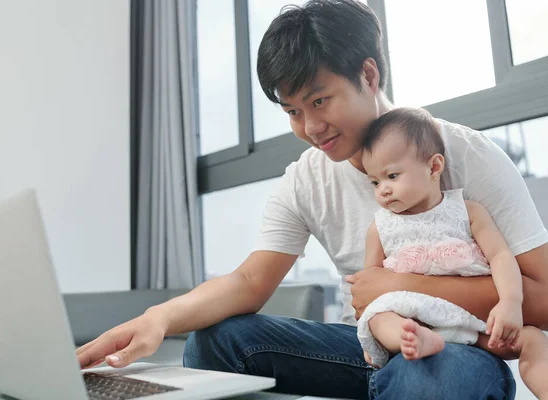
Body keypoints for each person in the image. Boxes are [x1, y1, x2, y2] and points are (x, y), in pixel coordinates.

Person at [76, 1, 548, 398]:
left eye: (319, 101)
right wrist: (157, 319)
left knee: (432, 377)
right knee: (217, 342)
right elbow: (247, 280)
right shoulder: (305, 180)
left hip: (454, 349)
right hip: (363, 344)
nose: (309, 128)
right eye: (293, 111)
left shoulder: (461, 154)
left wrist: (397, 284)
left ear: (368, 74)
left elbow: (545, 299)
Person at [356, 107, 548, 398]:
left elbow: (500, 257)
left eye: (392, 176)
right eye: (375, 182)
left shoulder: (467, 211)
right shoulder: (379, 227)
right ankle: (412, 340)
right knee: (378, 316)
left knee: (533, 338)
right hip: (414, 319)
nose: (383, 189)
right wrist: (372, 340)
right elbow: (369, 285)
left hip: (474, 323)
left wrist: (510, 301)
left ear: (434, 167)